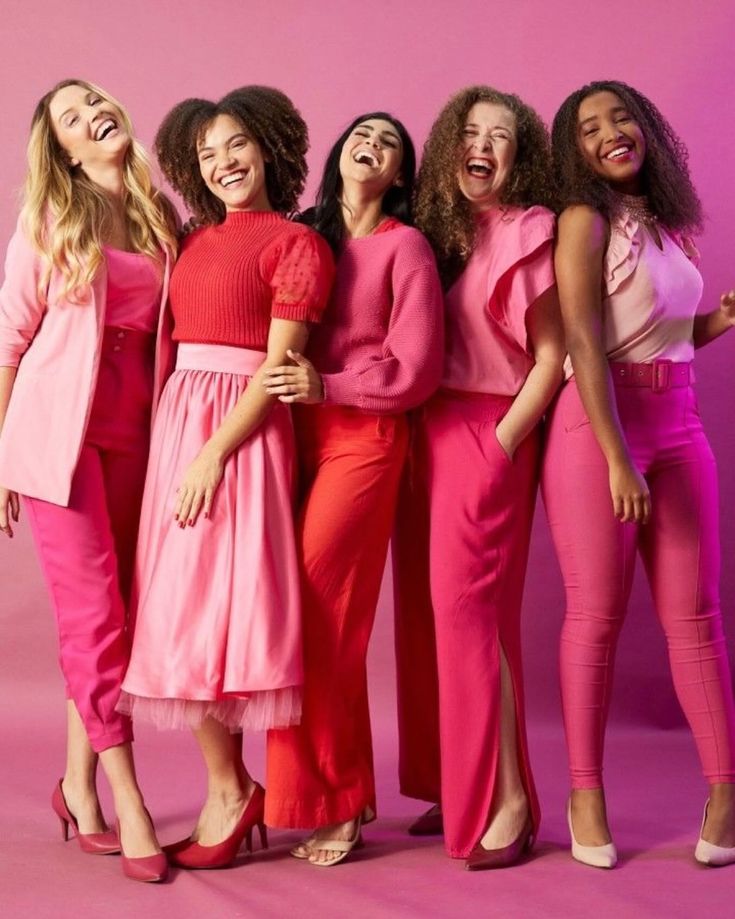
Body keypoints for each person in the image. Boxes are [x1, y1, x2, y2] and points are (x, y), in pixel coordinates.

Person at [118, 86, 334, 870]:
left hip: (239, 430)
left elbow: (279, 366)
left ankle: (233, 791)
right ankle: (230, 784)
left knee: (224, 608)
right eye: (205, 154)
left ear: (269, 146)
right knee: (179, 610)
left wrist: (212, 453)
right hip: (181, 418)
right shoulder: (192, 239)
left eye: (235, 144)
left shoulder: (296, 244)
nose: (221, 163)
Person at [542, 79, 735, 868]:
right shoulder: (583, 220)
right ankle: (584, 790)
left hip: (678, 418)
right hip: (599, 425)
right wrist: (619, 455)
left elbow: (663, 332)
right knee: (595, 615)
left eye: (622, 117)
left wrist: (717, 318)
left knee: (695, 617)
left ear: (645, 128)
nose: (610, 133)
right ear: (574, 152)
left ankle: (724, 789)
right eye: (589, 128)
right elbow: (586, 339)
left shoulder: (662, 224)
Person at [0, 79, 178, 882]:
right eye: (68, 118)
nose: (88, 116)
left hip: (139, 440)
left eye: (92, 102)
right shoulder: (46, 221)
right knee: (95, 618)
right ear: (63, 149)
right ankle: (128, 798)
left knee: (122, 618)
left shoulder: (157, 218)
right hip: (56, 446)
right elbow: (7, 345)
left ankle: (75, 783)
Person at [262, 111, 443, 866]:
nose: (372, 142)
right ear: (341, 152)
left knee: (321, 613)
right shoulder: (303, 235)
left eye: (389, 140)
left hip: (363, 439)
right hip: (286, 439)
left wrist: (326, 383)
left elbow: (417, 366)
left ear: (399, 173)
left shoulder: (406, 248)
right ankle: (320, 796)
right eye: (362, 132)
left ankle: (338, 800)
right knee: (279, 612)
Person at [394, 86, 564, 869]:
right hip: (430, 428)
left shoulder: (529, 229)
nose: (484, 145)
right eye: (470, 131)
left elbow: (551, 359)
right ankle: (460, 783)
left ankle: (510, 799)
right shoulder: (440, 231)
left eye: (500, 136)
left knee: (466, 614)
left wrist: (499, 445)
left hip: (489, 425)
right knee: (439, 616)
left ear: (519, 156)